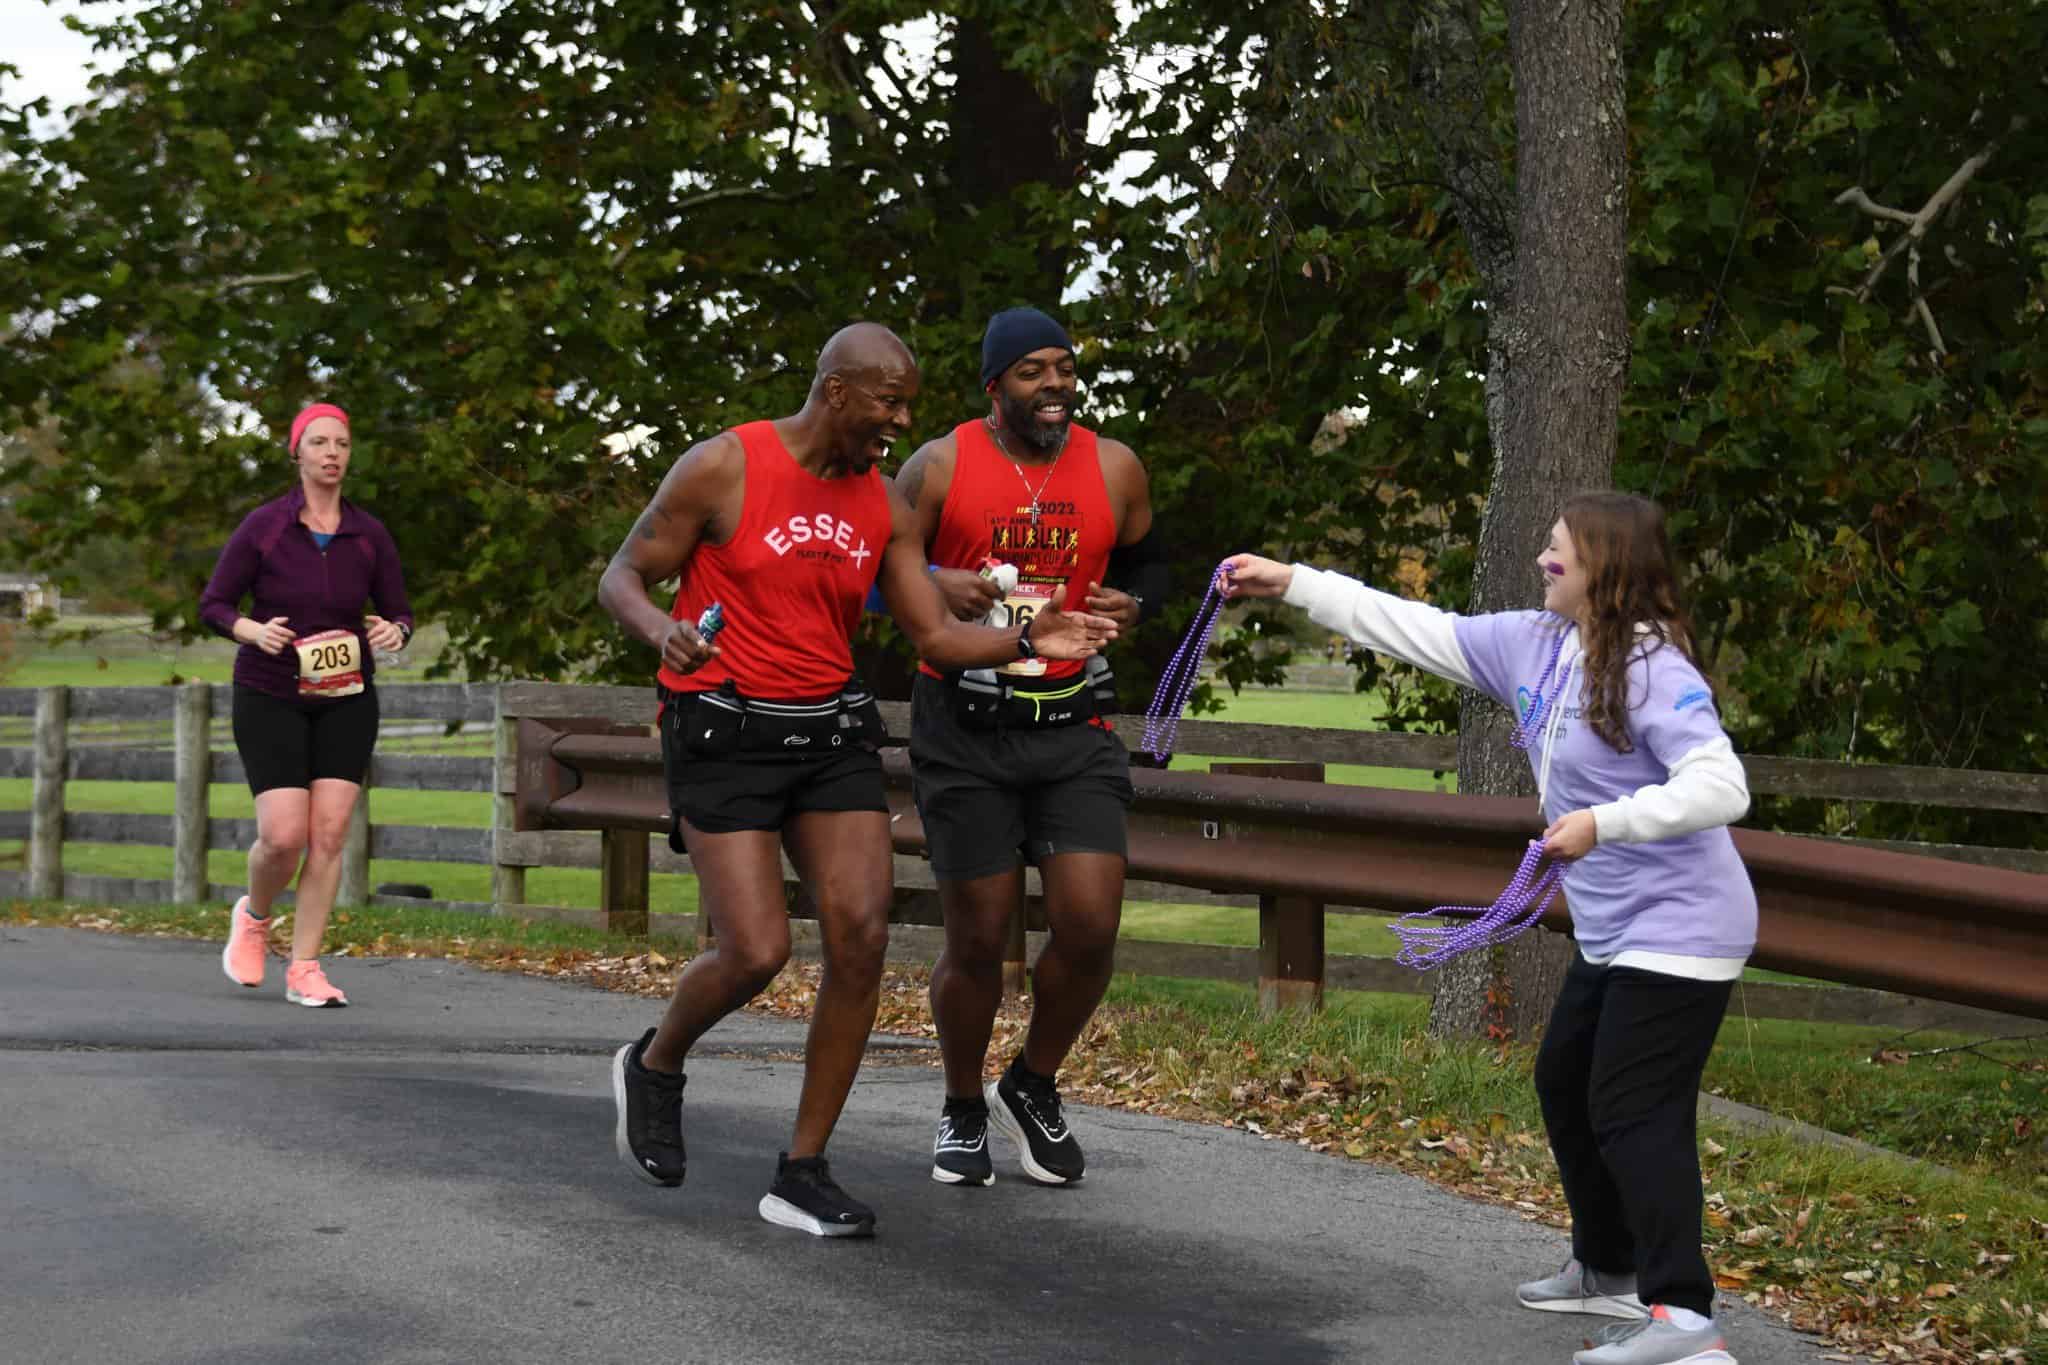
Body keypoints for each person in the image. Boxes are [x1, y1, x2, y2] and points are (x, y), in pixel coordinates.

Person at [596, 322, 1118, 1239]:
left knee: (863, 936)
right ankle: (656, 1062)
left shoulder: (884, 503)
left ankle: (803, 1169)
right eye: (889, 401)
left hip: (829, 734)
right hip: (723, 729)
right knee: (755, 950)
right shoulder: (725, 466)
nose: (901, 421)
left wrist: (1034, 639)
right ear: (837, 391)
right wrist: (658, 630)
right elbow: (624, 574)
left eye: (908, 402)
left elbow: (937, 638)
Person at [1219, 491, 1753, 1365]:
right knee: (1563, 1078)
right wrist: (1291, 582)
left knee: (1632, 1106)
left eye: (1561, 552)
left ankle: (1686, 1322)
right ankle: (1608, 1264)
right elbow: (1409, 626)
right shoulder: (1533, 645)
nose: (1544, 562)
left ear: (1606, 570)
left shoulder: (1655, 667)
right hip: (1617, 925)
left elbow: (1722, 785)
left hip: (1687, 924)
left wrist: (1603, 822)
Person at [893, 307, 1163, 1189]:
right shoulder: (939, 466)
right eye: (1032, 372)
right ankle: (962, 1105)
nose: (1054, 385)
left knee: (1090, 924)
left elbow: (1153, 563)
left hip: (1074, 723)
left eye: (1065, 368)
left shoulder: (1113, 465)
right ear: (993, 387)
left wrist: (1133, 604)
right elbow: (870, 574)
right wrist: (940, 579)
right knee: (978, 938)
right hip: (965, 729)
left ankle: (1032, 1082)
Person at [201, 402, 414, 1008]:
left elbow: (400, 610)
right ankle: (255, 917)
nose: (331, 454)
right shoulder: (265, 527)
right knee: (284, 835)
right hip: (270, 693)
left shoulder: (368, 534)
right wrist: (252, 631)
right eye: (319, 442)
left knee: (328, 834)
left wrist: (394, 631)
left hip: (346, 696)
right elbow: (214, 604)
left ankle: (305, 967)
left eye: (341, 444)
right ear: (297, 453)